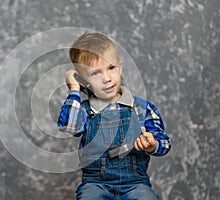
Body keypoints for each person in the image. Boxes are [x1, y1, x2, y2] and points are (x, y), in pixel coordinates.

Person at [57, 32, 171, 200]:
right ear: (83, 80)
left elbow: (165, 142)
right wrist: (74, 90)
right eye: (95, 73)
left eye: (111, 68)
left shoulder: (142, 108)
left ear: (120, 67)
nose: (107, 78)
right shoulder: (85, 111)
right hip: (96, 184)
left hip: (135, 184)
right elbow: (69, 126)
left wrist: (153, 145)